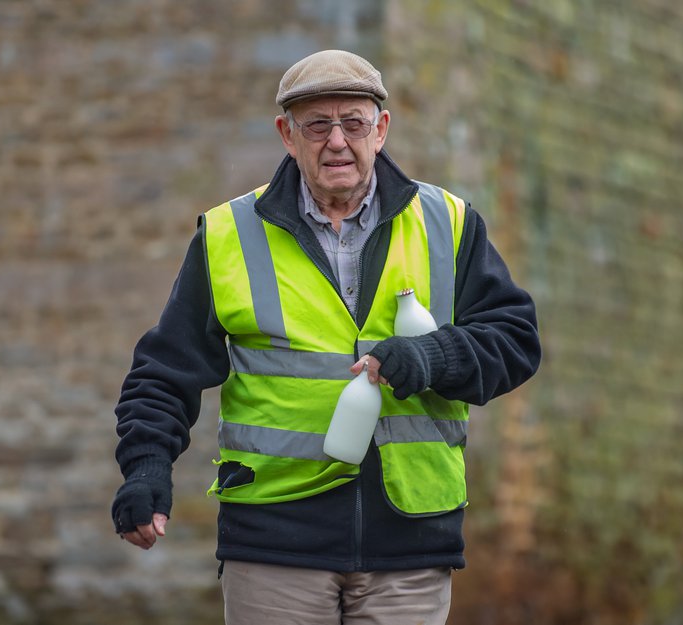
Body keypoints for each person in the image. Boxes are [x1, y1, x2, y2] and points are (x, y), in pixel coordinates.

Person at [111, 49, 542, 625]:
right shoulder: (228, 234)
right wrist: (146, 466)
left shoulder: (448, 221)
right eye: (317, 125)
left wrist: (432, 357)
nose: (337, 141)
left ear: (381, 130)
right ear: (287, 135)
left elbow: (514, 339)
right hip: (274, 542)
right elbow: (164, 371)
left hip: (410, 543)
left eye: (354, 123)